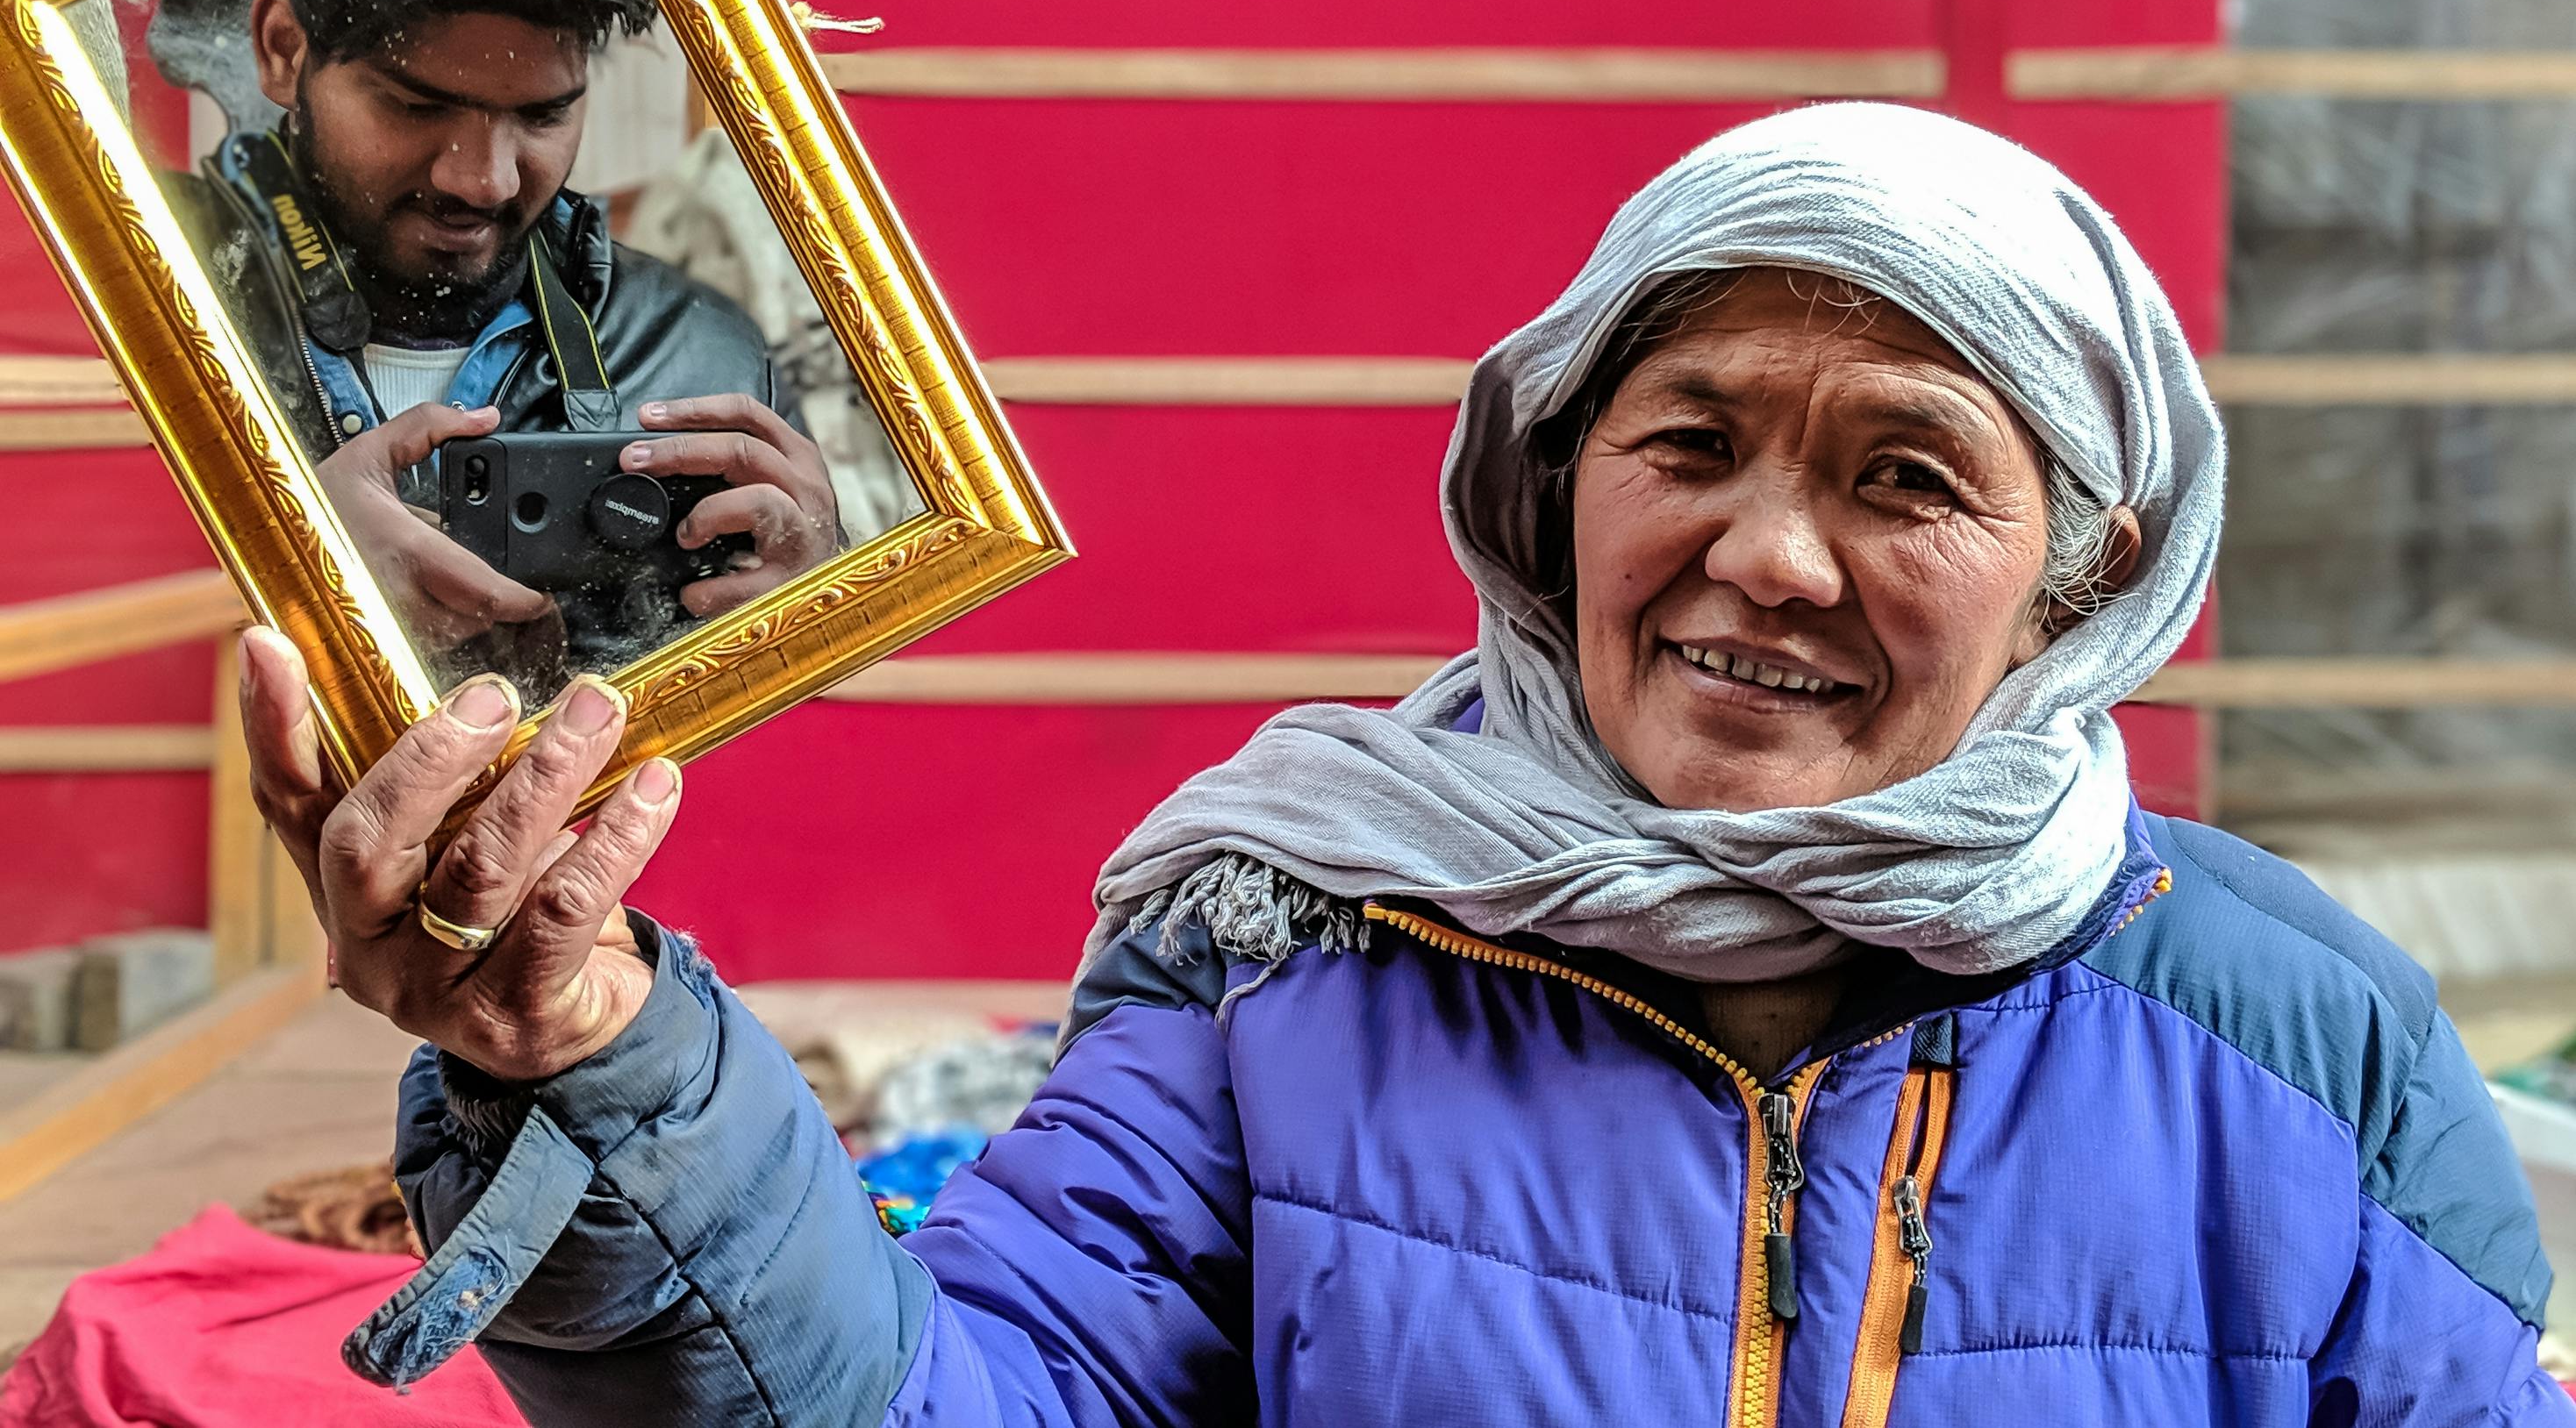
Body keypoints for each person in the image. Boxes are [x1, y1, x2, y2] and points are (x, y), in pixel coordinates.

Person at [241, 104, 2570, 1425]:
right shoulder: (1292, 952)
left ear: (2087, 572)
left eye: (1906, 478)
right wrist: (591, 1055)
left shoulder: (2292, 1036)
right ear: (1553, 482)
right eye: (1694, 439)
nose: (1765, 551)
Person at [165, 0, 842, 687]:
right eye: (415, 106)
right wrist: (291, 563)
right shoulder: (132, 296)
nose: (480, 180)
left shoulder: (709, 358)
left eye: (542, 114)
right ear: (283, 47)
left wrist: (825, 600)